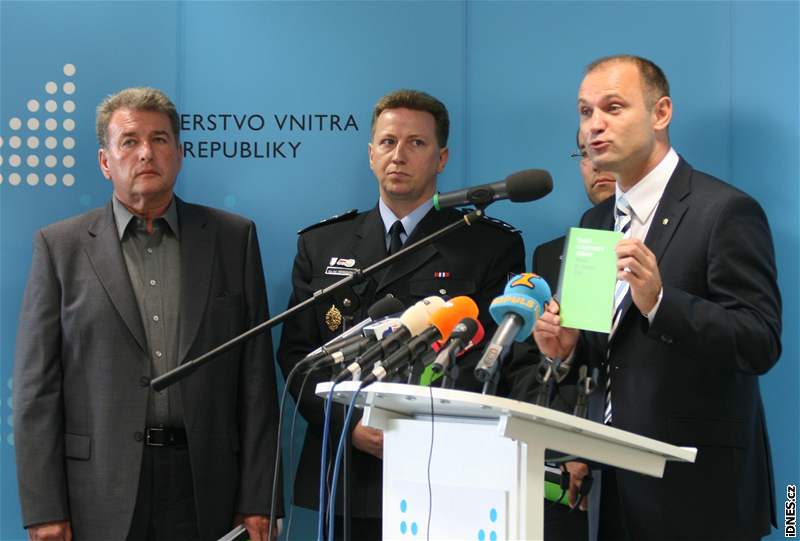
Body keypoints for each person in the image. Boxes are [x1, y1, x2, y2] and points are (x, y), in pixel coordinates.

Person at [13, 87, 282, 541]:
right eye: (129, 141)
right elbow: (36, 389)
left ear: (179, 154)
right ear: (105, 161)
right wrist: (44, 510)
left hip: (207, 485)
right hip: (97, 491)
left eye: (159, 140)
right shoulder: (59, 248)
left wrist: (260, 498)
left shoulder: (232, 239)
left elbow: (256, 381)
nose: (145, 153)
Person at [534, 55, 781, 541]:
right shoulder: (596, 223)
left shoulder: (725, 211)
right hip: (614, 489)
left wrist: (661, 301)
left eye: (613, 108)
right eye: (585, 113)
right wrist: (566, 349)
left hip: (699, 493)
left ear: (660, 113)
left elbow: (759, 341)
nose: (594, 126)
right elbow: (608, 354)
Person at [277, 89, 525, 540]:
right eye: (388, 142)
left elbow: (494, 358)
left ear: (442, 157)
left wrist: (413, 431)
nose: (399, 155)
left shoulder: (488, 245)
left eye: (416, 143)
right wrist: (350, 426)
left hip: (445, 466)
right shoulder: (323, 244)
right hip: (347, 470)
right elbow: (298, 356)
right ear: (371, 153)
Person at [518, 131, 616, 541]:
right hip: (567, 470)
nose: (597, 164)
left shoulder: (674, 236)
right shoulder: (554, 252)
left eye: (605, 150)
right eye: (585, 154)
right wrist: (573, 451)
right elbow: (562, 357)